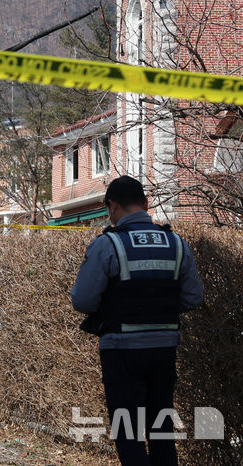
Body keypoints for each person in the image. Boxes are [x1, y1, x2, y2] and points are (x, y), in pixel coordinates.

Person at [71, 176, 203, 466]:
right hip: (164, 349)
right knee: (161, 431)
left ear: (112, 206)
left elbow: (83, 300)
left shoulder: (108, 244)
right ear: (145, 203)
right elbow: (193, 297)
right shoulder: (176, 243)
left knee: (128, 432)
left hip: (122, 351)